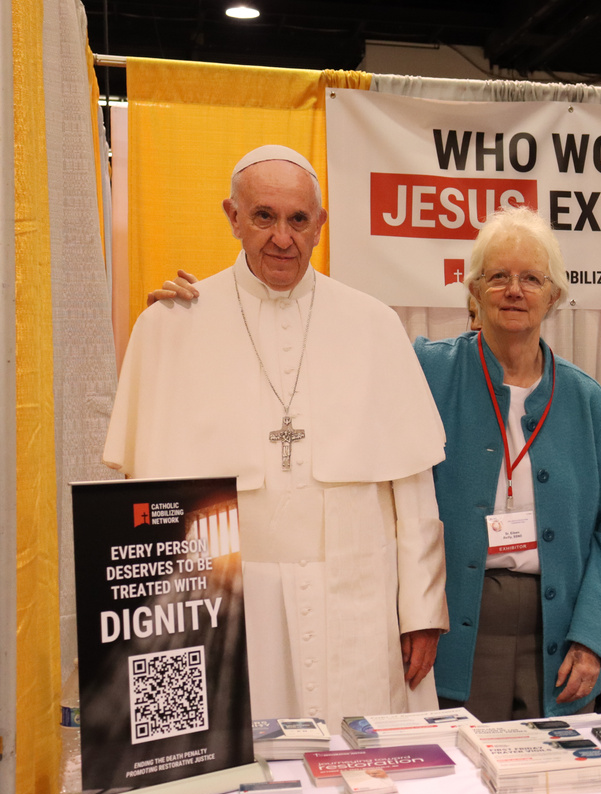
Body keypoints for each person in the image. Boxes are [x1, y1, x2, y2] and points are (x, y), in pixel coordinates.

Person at [105, 145, 449, 723]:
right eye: (263, 216)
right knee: (229, 766)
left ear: (320, 225)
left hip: (355, 598)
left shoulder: (373, 324)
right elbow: (149, 503)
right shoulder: (176, 323)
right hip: (228, 599)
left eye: (298, 220)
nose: (282, 237)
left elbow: (412, 487)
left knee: (361, 767)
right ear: (233, 217)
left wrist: (420, 609)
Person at [414, 207, 601, 721]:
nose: (514, 290)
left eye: (531, 279)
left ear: (554, 296)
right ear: (473, 290)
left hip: (558, 640)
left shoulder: (589, 404)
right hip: (455, 638)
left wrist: (590, 637)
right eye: (498, 276)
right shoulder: (426, 373)